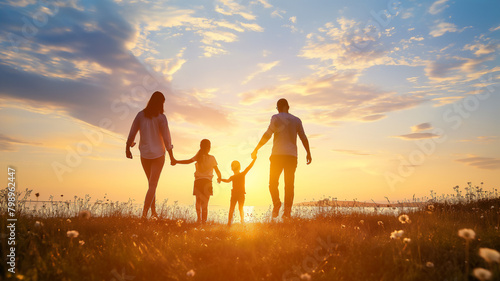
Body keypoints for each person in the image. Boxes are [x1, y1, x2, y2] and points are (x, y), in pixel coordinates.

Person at [251, 98, 312, 219]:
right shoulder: (297, 120)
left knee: (272, 183)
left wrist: (256, 148)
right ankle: (287, 213)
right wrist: (308, 153)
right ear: (288, 107)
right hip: (291, 156)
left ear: (278, 107)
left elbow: (267, 134)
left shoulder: (276, 118)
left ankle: (277, 203)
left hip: (277, 156)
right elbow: (303, 138)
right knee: (289, 185)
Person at [126, 91, 176, 219]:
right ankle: (144, 215)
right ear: (160, 103)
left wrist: (128, 148)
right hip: (158, 154)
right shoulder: (161, 117)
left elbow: (132, 133)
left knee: (151, 185)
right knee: (153, 185)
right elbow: (167, 139)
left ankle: (153, 213)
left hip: (145, 154)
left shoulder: (140, 115)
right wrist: (172, 157)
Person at [175, 139, 222, 223]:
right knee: (205, 204)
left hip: (198, 182)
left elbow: (188, 161)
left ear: (200, 146)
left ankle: (199, 219)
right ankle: (204, 221)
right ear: (209, 147)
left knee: (198, 202)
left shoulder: (198, 156)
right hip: (207, 182)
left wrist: (177, 161)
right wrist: (219, 178)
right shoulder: (212, 158)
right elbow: (217, 170)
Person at [220, 156, 257, 226]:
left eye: (232, 166)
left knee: (238, 208)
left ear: (232, 168)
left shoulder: (241, 174)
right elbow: (227, 180)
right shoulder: (234, 176)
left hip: (239, 194)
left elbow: (249, 167)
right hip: (235, 194)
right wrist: (221, 179)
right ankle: (231, 223)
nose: (232, 167)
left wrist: (254, 160)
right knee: (234, 209)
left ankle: (240, 222)